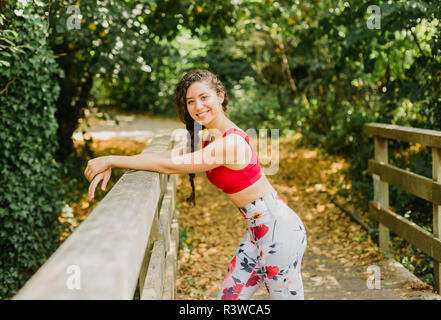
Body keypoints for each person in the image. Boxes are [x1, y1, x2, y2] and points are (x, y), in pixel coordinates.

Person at [84, 69, 307, 300]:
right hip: (257, 233)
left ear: (220, 96)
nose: (198, 106)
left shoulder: (229, 142)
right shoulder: (209, 137)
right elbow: (166, 158)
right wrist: (113, 160)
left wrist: (111, 159)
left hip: (279, 232)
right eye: (191, 101)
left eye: (204, 97)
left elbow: (172, 166)